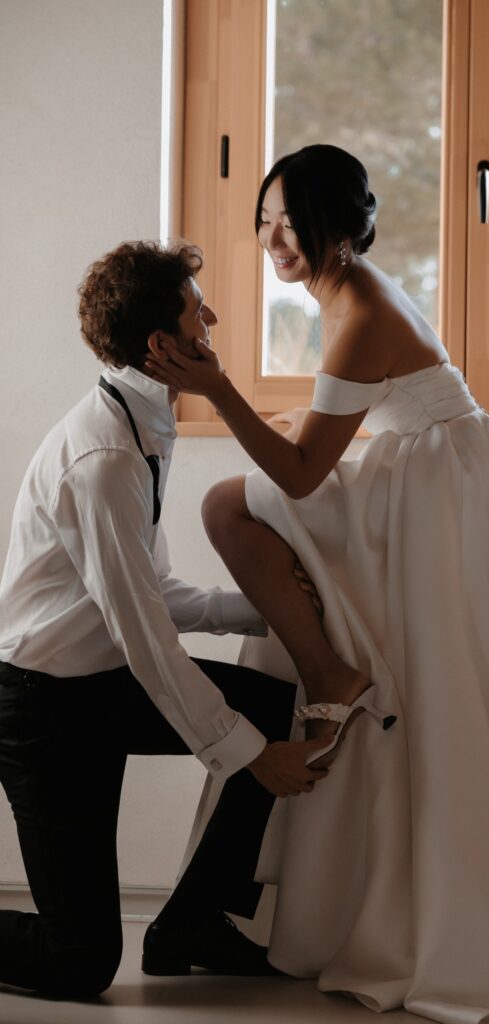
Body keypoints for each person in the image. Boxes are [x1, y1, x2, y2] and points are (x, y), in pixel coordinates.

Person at [144, 146, 489, 1024]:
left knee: (224, 508)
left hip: (436, 500)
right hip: (427, 479)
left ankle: (329, 676)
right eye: (265, 218)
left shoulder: (355, 306)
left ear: (342, 230)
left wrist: (218, 390)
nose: (274, 238)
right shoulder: (346, 295)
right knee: (250, 517)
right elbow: (348, 418)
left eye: (293, 221)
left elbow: (309, 472)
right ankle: (319, 679)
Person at [0, 240, 330, 1000]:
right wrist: (250, 757)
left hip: (100, 680)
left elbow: (153, 593)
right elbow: (145, 635)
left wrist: (266, 612)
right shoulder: (107, 456)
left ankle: (191, 924)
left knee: (267, 710)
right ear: (162, 345)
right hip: (42, 707)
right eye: (196, 311)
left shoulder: (141, 420)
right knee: (76, 962)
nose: (209, 318)